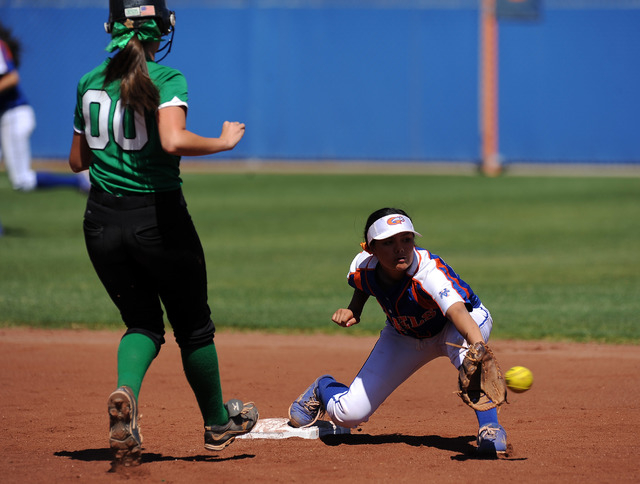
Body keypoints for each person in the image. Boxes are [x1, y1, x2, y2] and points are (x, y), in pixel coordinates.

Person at [68, 0, 257, 467]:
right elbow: (173, 140)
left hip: (100, 222)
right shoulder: (166, 78)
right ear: (163, 27)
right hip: (159, 218)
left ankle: (126, 396)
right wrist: (222, 141)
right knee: (193, 328)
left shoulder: (89, 80)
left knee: (143, 323)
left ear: (110, 26)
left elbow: (77, 161)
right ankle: (216, 426)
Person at [288, 207, 508, 455]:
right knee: (348, 415)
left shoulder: (428, 273)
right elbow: (364, 284)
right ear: (370, 248)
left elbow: (457, 312)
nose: (400, 248)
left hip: (457, 325)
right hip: (403, 335)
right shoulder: (363, 265)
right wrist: (354, 310)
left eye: (406, 239)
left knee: (468, 354)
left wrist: (478, 347)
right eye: (389, 242)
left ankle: (490, 427)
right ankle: (322, 387)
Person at [0, 22, 89, 192]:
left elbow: (12, 78)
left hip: (13, 115)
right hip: (7, 116)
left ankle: (78, 182)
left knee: (23, 181)